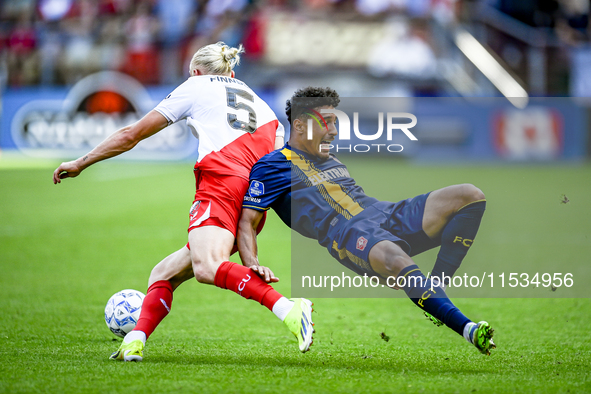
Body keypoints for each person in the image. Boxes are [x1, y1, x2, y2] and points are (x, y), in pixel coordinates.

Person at [52, 42, 314, 361]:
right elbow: (271, 174)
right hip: (254, 196)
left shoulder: (196, 86)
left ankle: (288, 309)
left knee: (207, 267)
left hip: (221, 182)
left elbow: (132, 134)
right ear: (231, 73)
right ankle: (134, 341)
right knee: (164, 274)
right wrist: (251, 257)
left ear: (194, 71)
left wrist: (82, 161)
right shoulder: (264, 107)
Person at [237, 86, 496, 355]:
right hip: (345, 233)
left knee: (470, 195)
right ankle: (468, 328)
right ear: (300, 126)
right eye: (326, 122)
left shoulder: (329, 157)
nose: (334, 131)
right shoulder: (272, 167)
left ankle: (434, 291)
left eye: (335, 122)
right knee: (397, 259)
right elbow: (247, 221)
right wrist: (252, 265)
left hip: (383, 213)